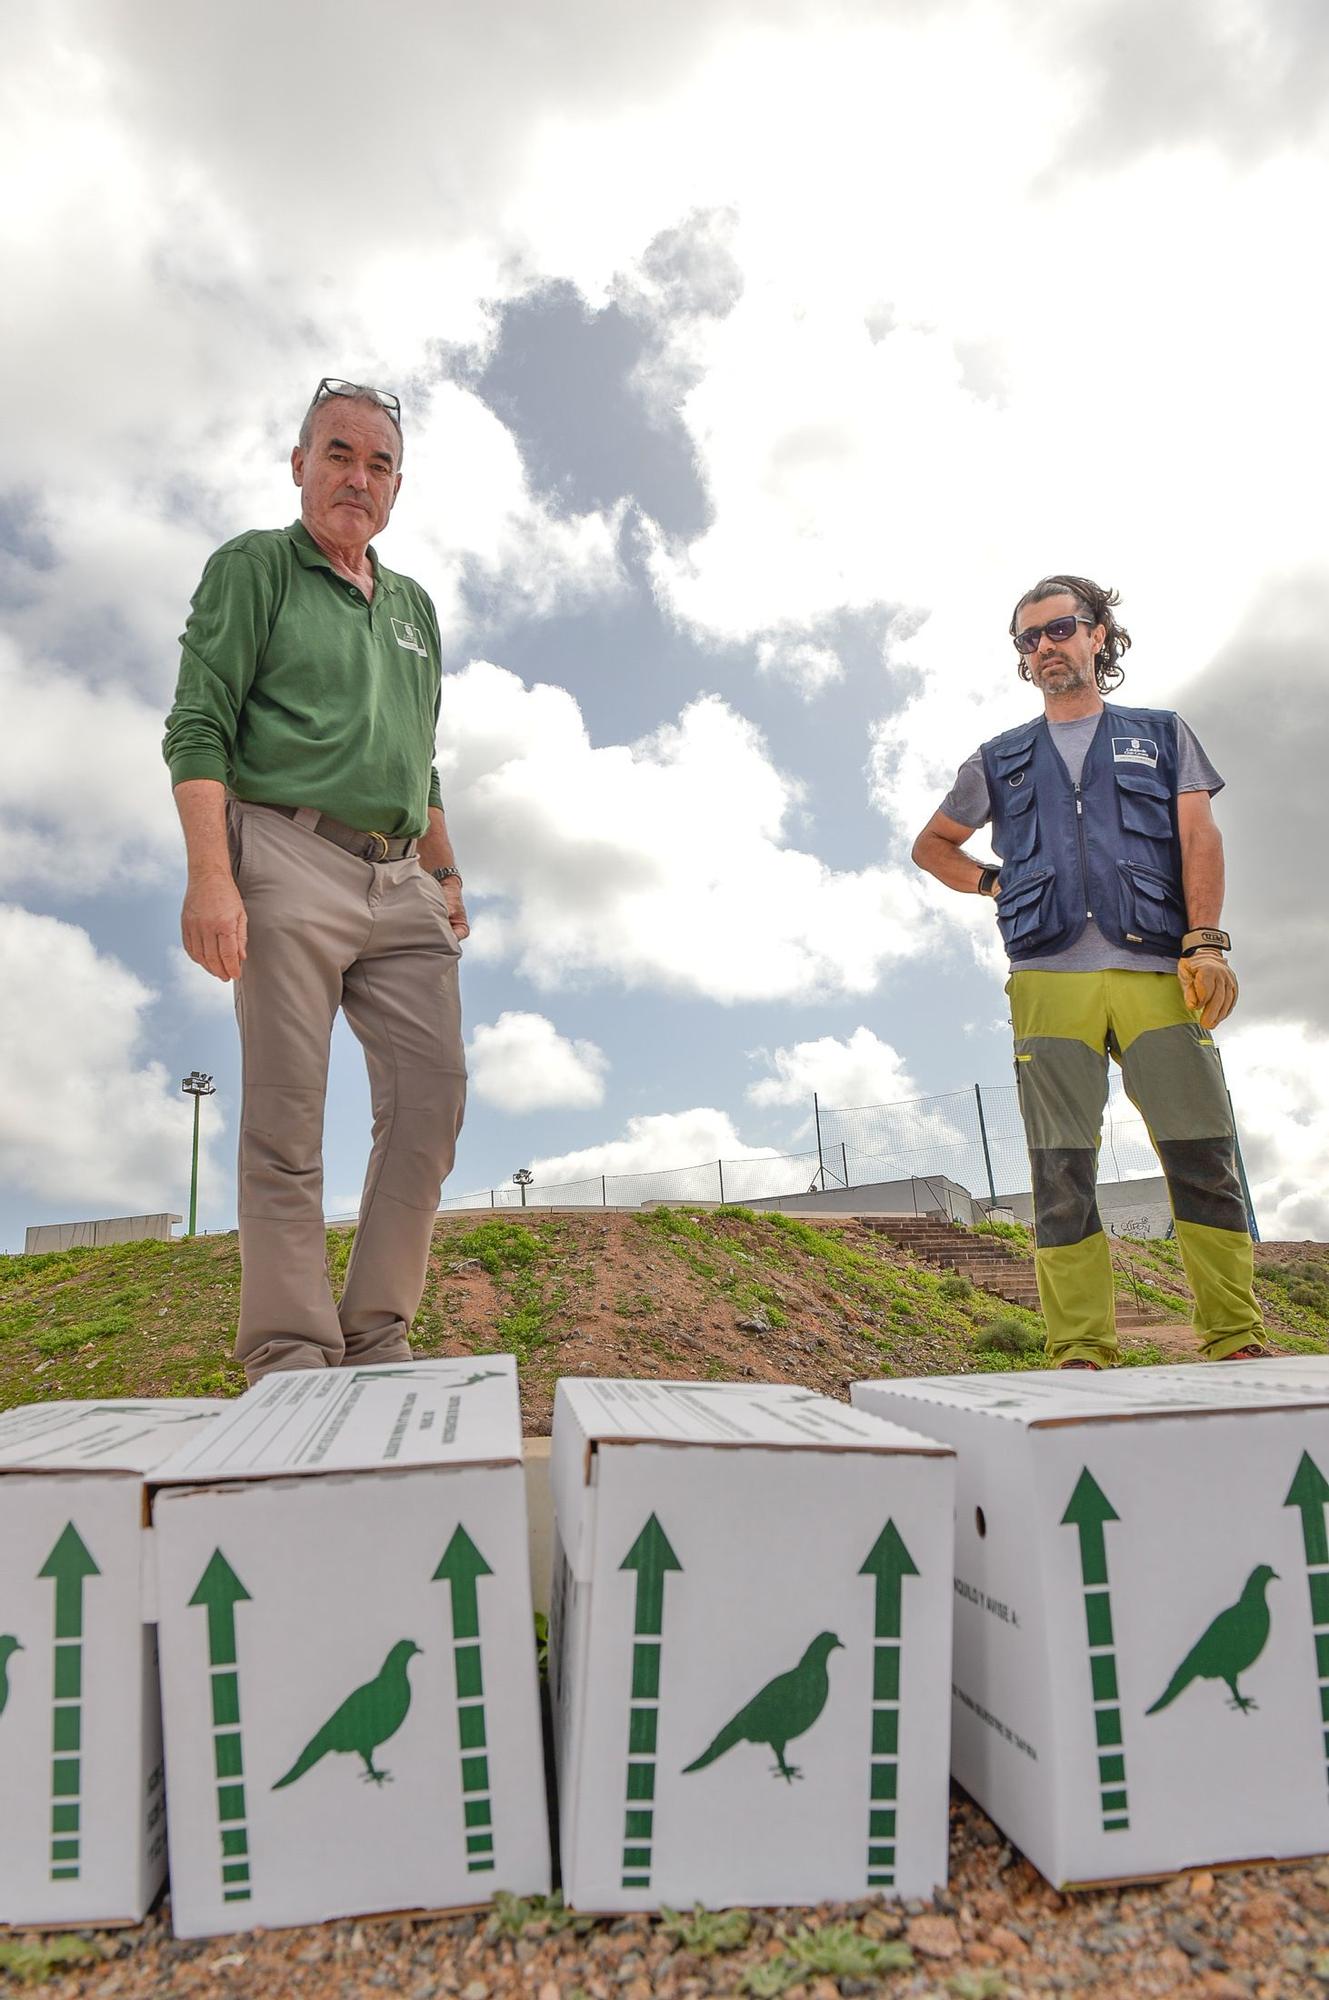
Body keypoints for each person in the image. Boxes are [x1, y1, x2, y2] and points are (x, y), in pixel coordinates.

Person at [163, 378, 468, 1382]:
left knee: (431, 1104)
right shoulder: (258, 567)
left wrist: (447, 872)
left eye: (379, 463)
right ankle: (291, 1351)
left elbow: (419, 762)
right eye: (339, 453)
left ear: (396, 487)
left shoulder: (415, 607)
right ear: (300, 463)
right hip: (286, 854)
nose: (358, 477)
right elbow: (199, 721)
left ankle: (377, 1335)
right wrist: (213, 873)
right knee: (288, 1120)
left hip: (401, 877)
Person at [911, 574, 1268, 1369]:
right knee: (1060, 1171)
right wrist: (994, 882)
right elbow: (930, 846)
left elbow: (1197, 837)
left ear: (1098, 635)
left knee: (1201, 1156)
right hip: (1047, 980)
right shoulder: (997, 758)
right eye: (1028, 639)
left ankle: (1234, 1338)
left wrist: (1204, 942)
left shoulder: (1160, 732)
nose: (1044, 648)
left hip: (1155, 971)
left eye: (1059, 629)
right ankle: (1079, 1349)